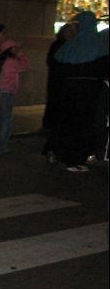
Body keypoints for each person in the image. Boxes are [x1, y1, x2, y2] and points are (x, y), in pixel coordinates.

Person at [48, 10, 109, 172]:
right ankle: (75, 158)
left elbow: (59, 64)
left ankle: (70, 157)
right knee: (84, 124)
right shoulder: (99, 43)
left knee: (72, 123)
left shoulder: (73, 44)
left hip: (71, 90)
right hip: (90, 91)